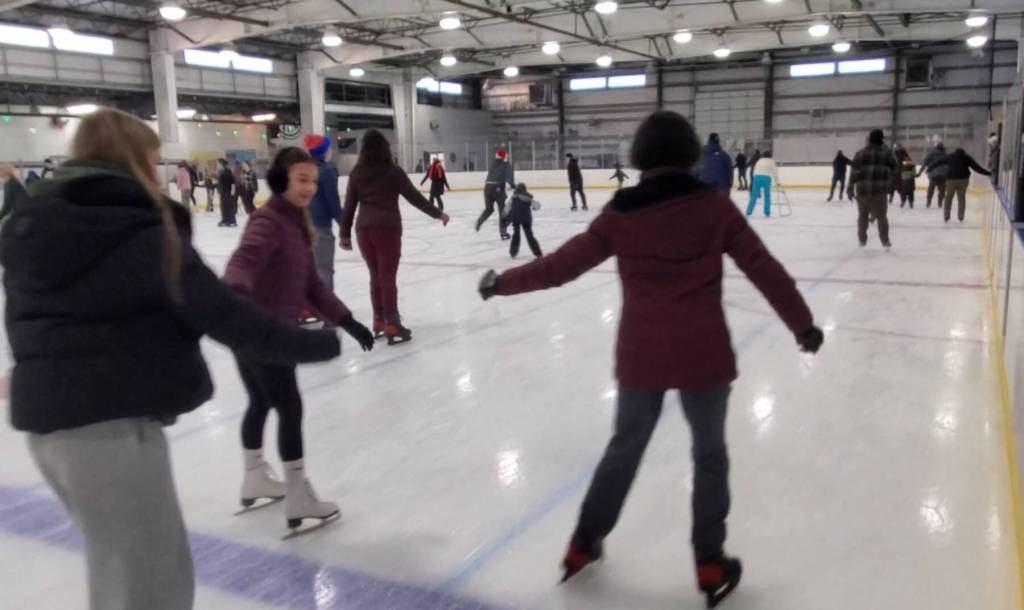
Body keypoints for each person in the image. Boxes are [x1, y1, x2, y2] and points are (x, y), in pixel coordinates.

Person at [477, 110, 823, 609]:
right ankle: (709, 561)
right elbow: (763, 268)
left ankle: (582, 545)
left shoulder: (621, 213)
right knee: (709, 455)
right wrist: (803, 325)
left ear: (641, 157)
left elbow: (562, 266)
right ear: (688, 154)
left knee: (625, 448)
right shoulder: (714, 208)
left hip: (642, 356)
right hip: (704, 355)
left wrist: (501, 282)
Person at [2, 108, 342, 610]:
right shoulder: (138, 229)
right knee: (151, 582)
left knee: (119, 571)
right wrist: (316, 343)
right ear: (136, 160)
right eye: (154, 159)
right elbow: (223, 313)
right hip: (109, 424)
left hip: (50, 427)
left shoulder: (37, 225)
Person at [224, 147, 375, 533]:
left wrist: (348, 320)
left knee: (260, 402)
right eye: (300, 179)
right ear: (280, 180)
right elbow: (245, 259)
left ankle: (254, 474)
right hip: (265, 331)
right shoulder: (269, 221)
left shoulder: (293, 223)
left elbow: (311, 286)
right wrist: (236, 292)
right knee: (288, 408)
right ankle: (296, 494)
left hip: (250, 329)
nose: (309, 187)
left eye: (312, 180)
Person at [341, 129, 450, 344]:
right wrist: (437, 213)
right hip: (387, 230)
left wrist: (344, 234)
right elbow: (414, 197)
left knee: (375, 275)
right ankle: (392, 322)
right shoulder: (392, 171)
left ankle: (379, 320)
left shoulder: (356, 173)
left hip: (364, 231)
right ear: (385, 148)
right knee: (387, 277)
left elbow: (349, 205)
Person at [303, 134, 344, 289]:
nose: (330, 151)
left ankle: (305, 305)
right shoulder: (326, 171)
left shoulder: (298, 170)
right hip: (319, 226)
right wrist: (343, 223)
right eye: (328, 148)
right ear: (322, 151)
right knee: (323, 269)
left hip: (300, 226)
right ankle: (325, 306)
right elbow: (332, 202)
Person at [848, 129, 897, 248]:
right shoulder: (887, 153)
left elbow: (853, 173)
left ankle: (862, 240)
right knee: (881, 216)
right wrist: (890, 183)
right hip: (879, 191)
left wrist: (850, 188)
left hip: (863, 191)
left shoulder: (860, 153)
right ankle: (885, 241)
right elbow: (895, 168)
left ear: (869, 140)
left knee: (862, 216)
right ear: (881, 140)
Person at [925, 147, 992, 223]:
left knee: (948, 197)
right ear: (963, 152)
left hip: (951, 180)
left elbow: (938, 162)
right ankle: (961, 217)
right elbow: (976, 167)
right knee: (961, 197)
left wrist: (929, 168)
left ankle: (946, 216)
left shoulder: (950, 156)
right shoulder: (966, 157)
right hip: (963, 180)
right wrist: (988, 173)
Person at [476, 148, 514, 240]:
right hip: (497, 188)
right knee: (503, 211)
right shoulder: (505, 165)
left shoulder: (493, 163)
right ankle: (503, 232)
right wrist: (514, 185)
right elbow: (509, 178)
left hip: (487, 188)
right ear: (504, 157)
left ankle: (479, 221)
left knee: (489, 209)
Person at [507, 182, 543, 259]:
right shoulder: (528, 197)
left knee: (516, 235)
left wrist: (505, 217)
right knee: (529, 236)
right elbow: (537, 206)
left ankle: (513, 252)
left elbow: (507, 208)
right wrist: (534, 208)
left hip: (515, 218)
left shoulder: (513, 197)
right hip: (525, 218)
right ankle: (538, 253)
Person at [746, 151, 779, 217]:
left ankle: (749, 211)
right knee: (767, 195)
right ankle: (767, 211)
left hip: (757, 177)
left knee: (754, 195)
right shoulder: (771, 161)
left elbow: (754, 170)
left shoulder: (759, 160)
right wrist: (777, 182)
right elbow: (775, 172)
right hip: (766, 178)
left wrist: (754, 178)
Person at [917, 142, 948, 209]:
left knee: (931, 189)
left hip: (933, 175)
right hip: (943, 175)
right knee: (942, 190)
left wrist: (920, 172)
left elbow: (924, 164)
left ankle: (928, 201)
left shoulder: (931, 154)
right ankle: (940, 202)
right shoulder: (946, 155)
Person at [217, 159, 237, 227]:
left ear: (222, 165)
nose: (218, 166)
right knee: (228, 206)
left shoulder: (223, 174)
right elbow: (233, 183)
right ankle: (230, 220)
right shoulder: (228, 172)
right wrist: (233, 193)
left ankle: (226, 220)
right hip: (228, 192)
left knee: (225, 207)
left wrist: (220, 191)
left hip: (225, 192)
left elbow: (221, 184)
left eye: (219, 164)